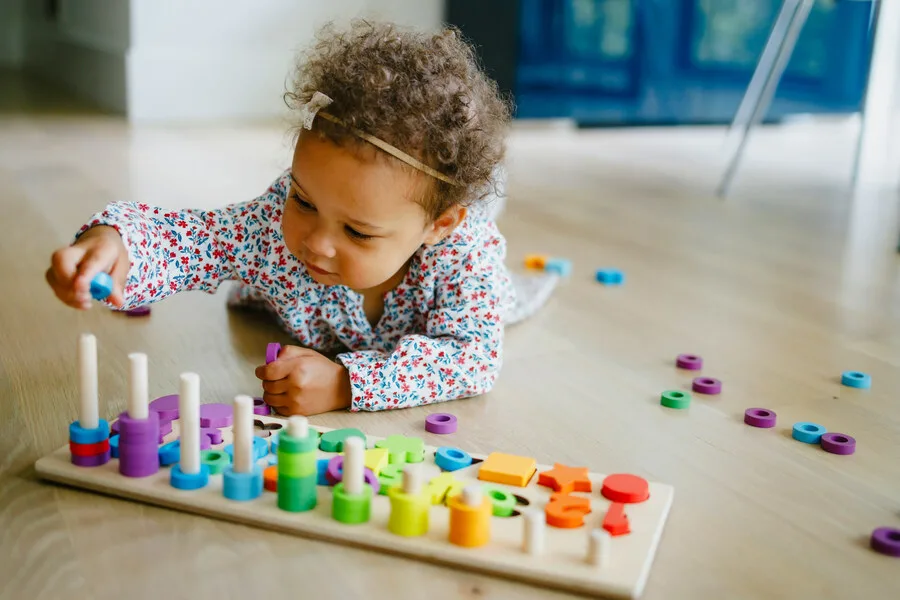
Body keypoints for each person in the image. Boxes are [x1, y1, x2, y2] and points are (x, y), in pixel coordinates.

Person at [46, 20, 555, 416]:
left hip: (473, 286)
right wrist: (115, 244)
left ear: (439, 226)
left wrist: (346, 382)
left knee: (509, 289)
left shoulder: (464, 255)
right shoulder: (274, 226)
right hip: (279, 295)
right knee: (255, 265)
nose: (316, 242)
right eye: (304, 200)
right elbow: (191, 240)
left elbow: (472, 357)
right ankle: (258, 282)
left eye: (357, 231)